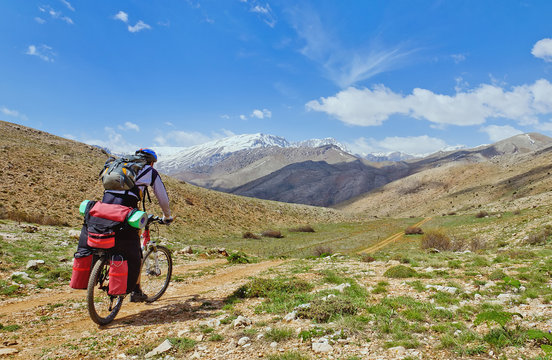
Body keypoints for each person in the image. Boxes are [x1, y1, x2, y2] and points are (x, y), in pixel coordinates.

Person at [77, 148, 173, 302]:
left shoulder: (118, 166)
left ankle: (98, 270)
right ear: (152, 162)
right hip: (126, 212)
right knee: (133, 251)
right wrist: (167, 216)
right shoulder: (149, 171)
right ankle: (135, 291)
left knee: (107, 239)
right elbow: (162, 197)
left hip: (103, 210)